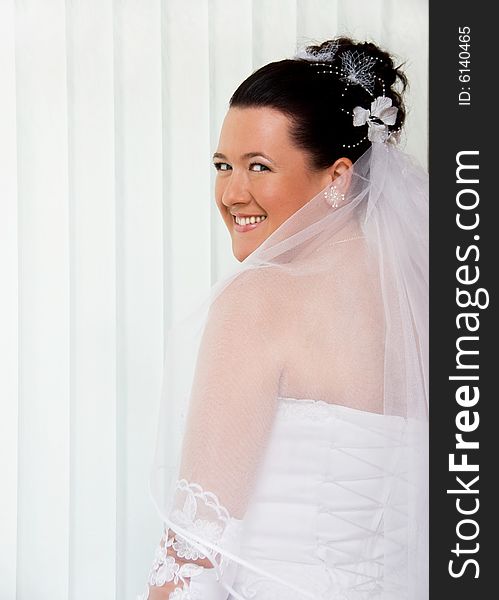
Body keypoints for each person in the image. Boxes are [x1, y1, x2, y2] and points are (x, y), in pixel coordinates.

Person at [137, 36, 428, 600]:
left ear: (338, 177)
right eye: (223, 165)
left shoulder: (259, 302)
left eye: (259, 166)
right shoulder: (428, 309)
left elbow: (194, 557)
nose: (232, 192)